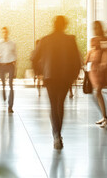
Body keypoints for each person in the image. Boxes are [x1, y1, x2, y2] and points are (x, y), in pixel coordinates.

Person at [31, 15, 81, 150]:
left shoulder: (45, 40)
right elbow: (77, 60)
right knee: (60, 104)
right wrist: (74, 76)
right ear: (64, 25)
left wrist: (39, 73)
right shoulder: (70, 40)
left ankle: (56, 135)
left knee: (54, 105)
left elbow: (33, 58)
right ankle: (58, 134)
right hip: (65, 77)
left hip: (50, 77)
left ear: (54, 24)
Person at [85, 21, 107, 128]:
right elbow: (92, 51)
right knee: (96, 94)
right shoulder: (94, 40)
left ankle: (105, 117)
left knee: (97, 93)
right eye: (94, 28)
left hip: (100, 69)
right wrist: (87, 59)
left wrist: (104, 63)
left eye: (96, 27)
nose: (95, 29)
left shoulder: (105, 39)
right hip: (94, 68)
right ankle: (104, 116)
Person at [0, 27, 17, 113]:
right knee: (3, 84)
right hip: (1, 65)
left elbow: (15, 56)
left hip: (10, 65)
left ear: (8, 33)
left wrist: (15, 68)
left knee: (11, 85)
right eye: (3, 32)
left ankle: (10, 106)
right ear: (1, 33)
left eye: (6, 32)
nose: (5, 34)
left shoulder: (12, 44)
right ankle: (3, 93)